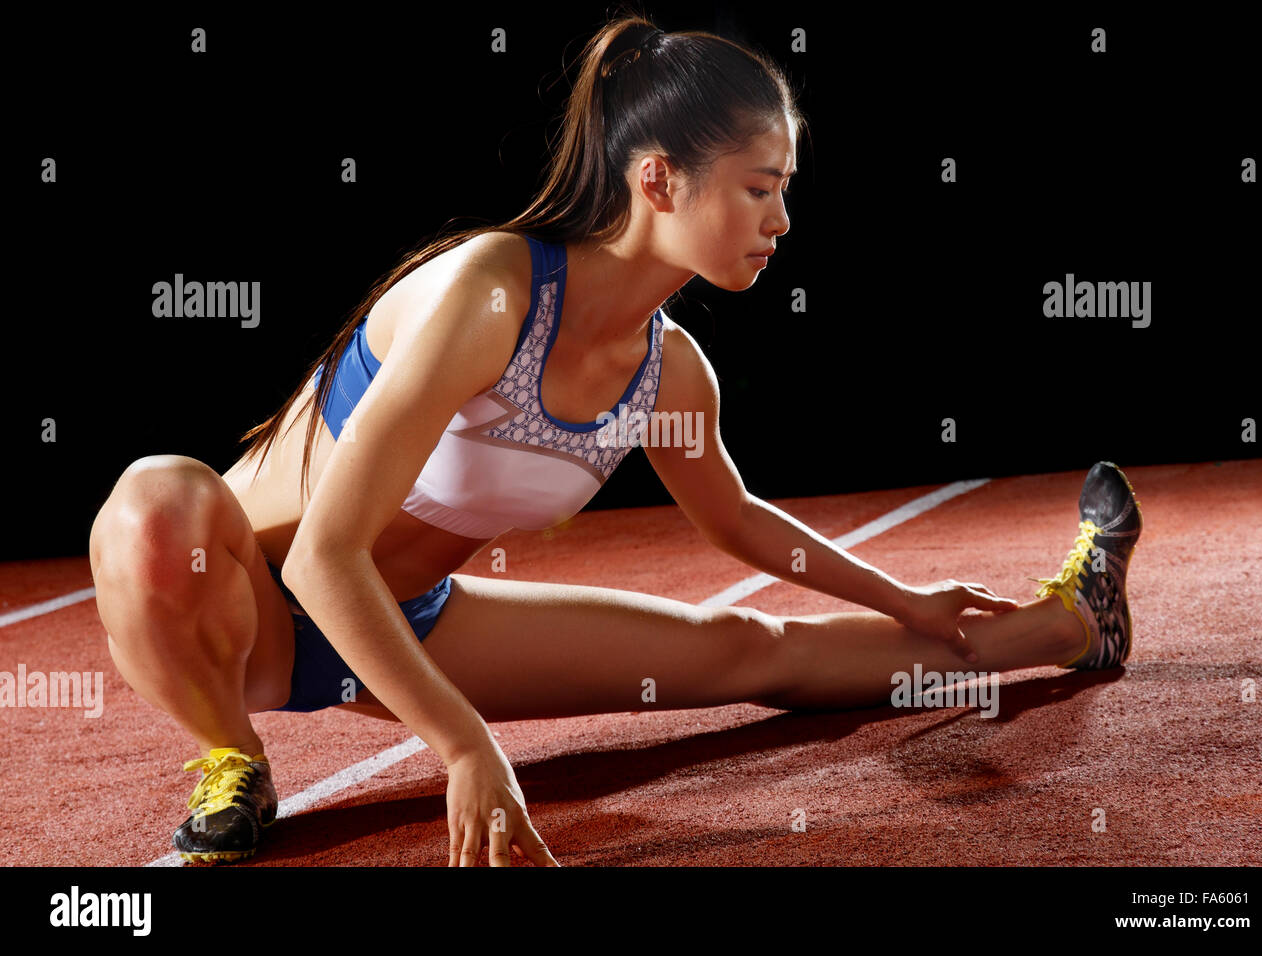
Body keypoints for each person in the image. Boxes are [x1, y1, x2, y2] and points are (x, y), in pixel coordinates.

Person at [87, 16, 1142, 867]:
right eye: (758, 189)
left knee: (755, 652)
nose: (780, 222)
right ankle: (233, 758)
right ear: (657, 179)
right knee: (154, 503)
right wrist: (463, 742)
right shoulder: (490, 291)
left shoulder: (667, 370)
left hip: (410, 627)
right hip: (256, 610)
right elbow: (322, 553)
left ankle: (1072, 622)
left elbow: (732, 519)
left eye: (785, 193)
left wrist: (908, 599)